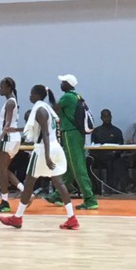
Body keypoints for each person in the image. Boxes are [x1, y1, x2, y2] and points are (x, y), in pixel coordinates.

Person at [0, 85, 79, 231]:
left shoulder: (40, 110)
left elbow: (45, 134)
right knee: (59, 183)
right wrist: (16, 129)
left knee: (28, 184)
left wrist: (47, 156)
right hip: (55, 147)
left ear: (36, 94)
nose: (29, 96)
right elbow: (38, 128)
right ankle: (72, 218)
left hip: (44, 149)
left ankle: (17, 217)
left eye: (31, 93)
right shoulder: (47, 108)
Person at [46, 74, 96, 210]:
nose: (61, 84)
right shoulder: (77, 96)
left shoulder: (67, 97)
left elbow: (54, 108)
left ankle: (90, 199)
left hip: (70, 133)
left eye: (63, 82)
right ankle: (57, 195)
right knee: (68, 166)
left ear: (68, 84)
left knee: (77, 166)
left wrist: (50, 95)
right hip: (76, 134)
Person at [0, 77, 24, 214]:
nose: (0, 89)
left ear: (9, 88)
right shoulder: (12, 101)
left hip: (8, 138)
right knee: (5, 170)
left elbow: (7, 124)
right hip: (14, 138)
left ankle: (5, 202)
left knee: (2, 172)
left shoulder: (10, 102)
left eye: (2, 87)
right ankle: (26, 191)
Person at [90, 109, 124, 194]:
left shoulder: (117, 131)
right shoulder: (96, 131)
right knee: (88, 162)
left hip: (113, 156)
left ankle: (110, 189)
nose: (107, 118)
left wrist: (114, 152)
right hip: (99, 156)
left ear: (111, 117)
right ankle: (94, 189)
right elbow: (92, 146)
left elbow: (121, 146)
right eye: (105, 117)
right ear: (101, 118)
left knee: (114, 162)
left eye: (108, 116)